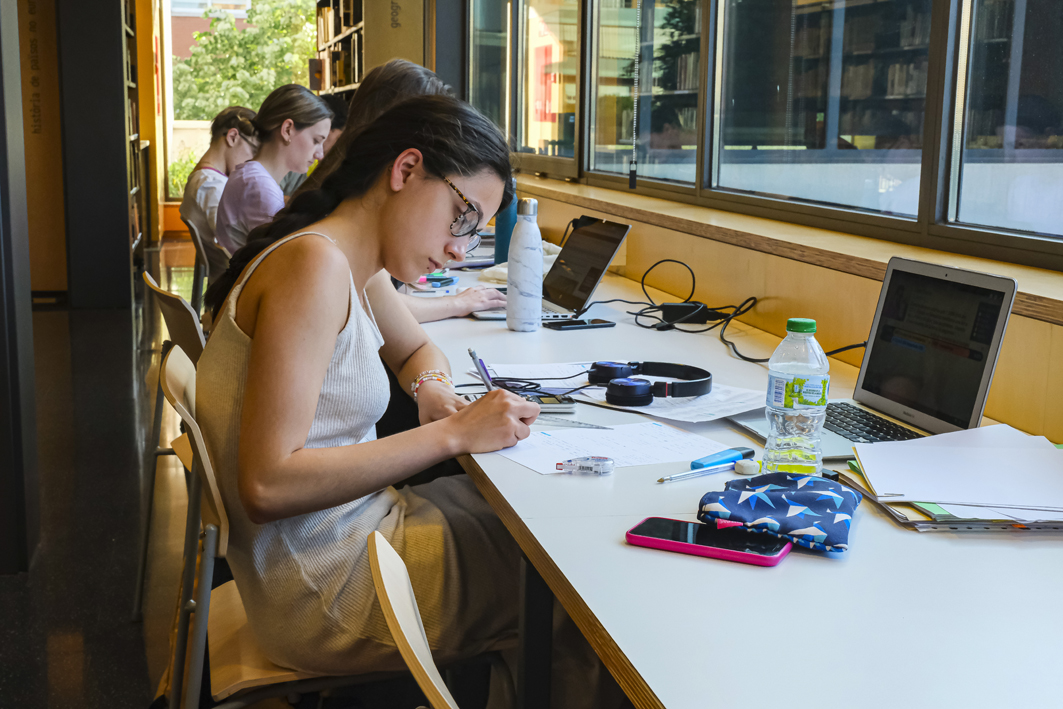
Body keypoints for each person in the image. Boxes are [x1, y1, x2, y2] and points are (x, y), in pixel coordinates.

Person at [197, 95, 620, 708]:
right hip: (325, 587)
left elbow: (416, 349)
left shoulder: (349, 258)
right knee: (579, 578)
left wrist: (435, 394)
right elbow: (268, 484)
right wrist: (451, 435)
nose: (459, 248)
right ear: (405, 170)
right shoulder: (313, 266)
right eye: (463, 216)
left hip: (351, 536)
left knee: (537, 529)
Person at [300, 59, 506, 324]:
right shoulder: (323, 258)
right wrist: (456, 303)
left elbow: (409, 343)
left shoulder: (351, 243)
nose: (460, 252)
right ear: (405, 166)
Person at [215, 84, 332, 254]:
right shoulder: (260, 188)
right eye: (316, 140)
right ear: (287, 130)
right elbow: (285, 257)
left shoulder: (249, 175)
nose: (319, 155)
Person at [178, 106, 258, 284]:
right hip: (234, 288)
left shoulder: (203, 179)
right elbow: (237, 244)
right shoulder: (210, 185)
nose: (254, 162)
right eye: (254, 151)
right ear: (232, 137)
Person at [279, 93, 350, 196]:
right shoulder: (291, 157)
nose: (340, 147)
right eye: (338, 139)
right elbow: (268, 202)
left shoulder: (338, 165)